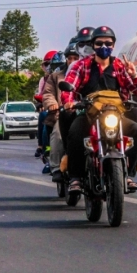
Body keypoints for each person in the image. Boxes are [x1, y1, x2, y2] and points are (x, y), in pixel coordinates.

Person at [62, 25, 137, 193]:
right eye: (99, 43)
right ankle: (76, 178)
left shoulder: (119, 66)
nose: (104, 47)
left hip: (114, 113)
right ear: (93, 45)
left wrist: (134, 75)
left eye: (108, 43)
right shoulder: (82, 65)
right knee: (75, 132)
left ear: (113, 45)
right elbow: (69, 87)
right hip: (88, 114)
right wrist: (69, 101)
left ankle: (128, 175)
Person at [44, 44, 80, 183]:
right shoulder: (55, 77)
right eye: (69, 58)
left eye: (75, 58)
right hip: (63, 114)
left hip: (86, 114)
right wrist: (52, 104)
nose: (72, 61)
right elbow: (48, 94)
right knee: (58, 134)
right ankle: (56, 168)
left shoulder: (86, 72)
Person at [34, 50, 58, 158]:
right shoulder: (45, 79)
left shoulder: (70, 75)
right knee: (44, 116)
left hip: (69, 107)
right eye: (47, 64)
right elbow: (45, 95)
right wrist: (45, 103)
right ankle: (45, 148)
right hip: (53, 107)